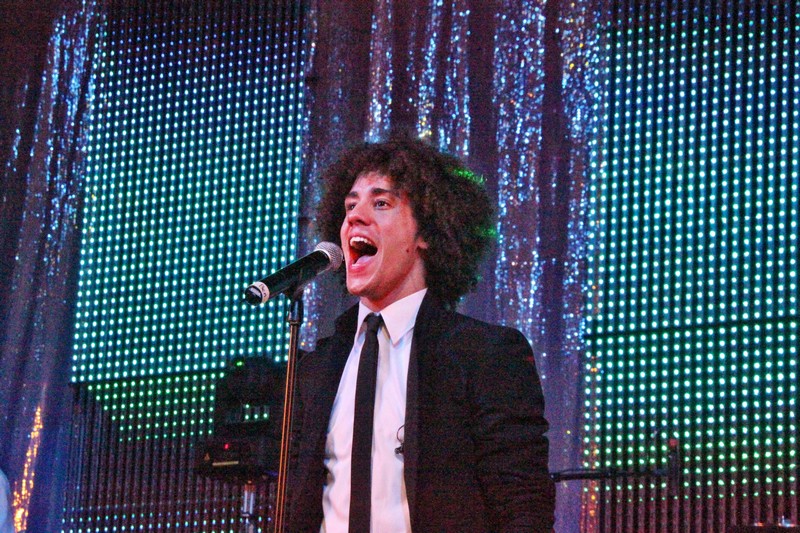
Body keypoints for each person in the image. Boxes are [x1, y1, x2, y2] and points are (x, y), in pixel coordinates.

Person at [287, 137, 555, 532]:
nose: (355, 217)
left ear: (425, 232)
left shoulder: (484, 355)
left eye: (381, 203)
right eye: (349, 206)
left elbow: (522, 507)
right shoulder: (316, 369)